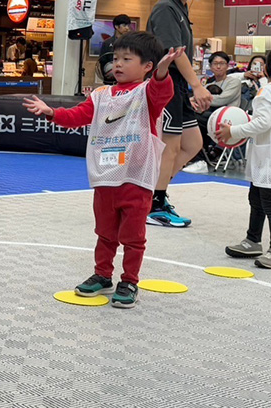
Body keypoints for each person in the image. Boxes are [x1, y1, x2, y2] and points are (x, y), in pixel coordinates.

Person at [23, 33, 179, 309]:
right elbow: (78, 116)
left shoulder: (147, 94)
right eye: (115, 58)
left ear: (147, 66)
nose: (117, 64)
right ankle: (103, 275)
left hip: (136, 177)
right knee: (105, 232)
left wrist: (163, 70)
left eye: (126, 59)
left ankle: (129, 280)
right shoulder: (101, 95)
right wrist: (51, 112)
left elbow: (161, 90)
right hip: (106, 176)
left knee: (133, 236)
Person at [219, 44, 271, 269]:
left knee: (269, 204)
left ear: (266, 69)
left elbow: (263, 122)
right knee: (257, 198)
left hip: (267, 157)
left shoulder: (266, 91)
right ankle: (252, 240)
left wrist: (233, 131)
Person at [146, 0, 213, 228]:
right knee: (170, 146)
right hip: (166, 88)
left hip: (179, 89)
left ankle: (151, 193)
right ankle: (154, 203)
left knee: (193, 144)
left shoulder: (181, 9)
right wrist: (197, 85)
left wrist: (192, 86)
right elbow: (174, 53)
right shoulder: (166, 9)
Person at [97, 14, 132, 85]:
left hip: (128, 81)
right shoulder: (107, 43)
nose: (127, 28)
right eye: (124, 25)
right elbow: (102, 61)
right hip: (110, 81)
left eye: (128, 25)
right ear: (116, 26)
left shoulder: (132, 43)